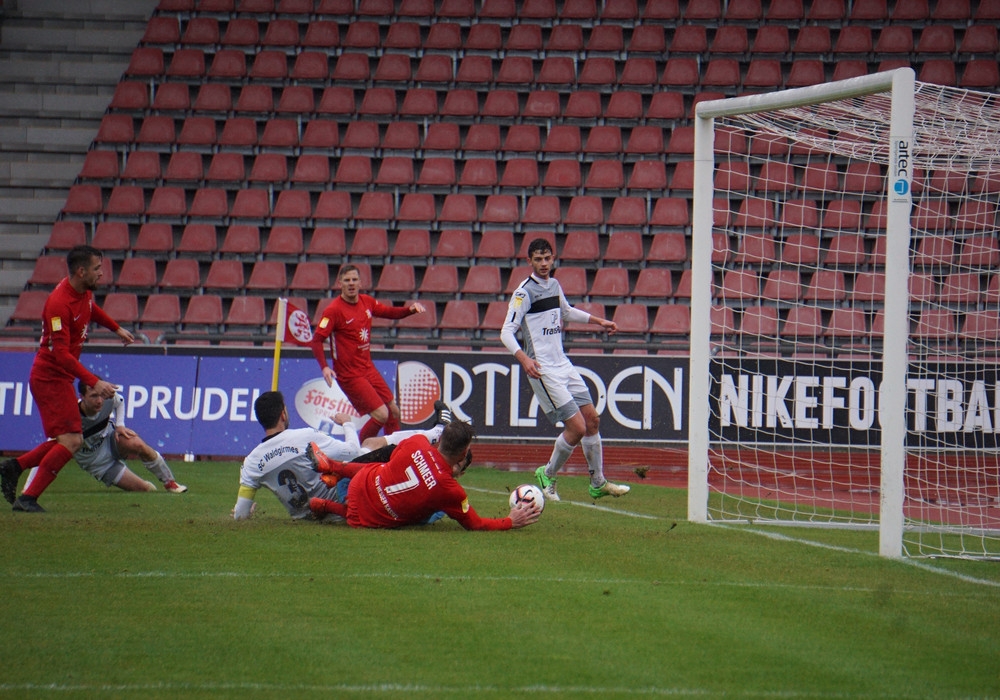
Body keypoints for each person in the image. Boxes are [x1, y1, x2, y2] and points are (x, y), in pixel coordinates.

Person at [1, 245, 135, 513]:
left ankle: (14, 467)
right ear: (81, 270)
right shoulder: (58, 304)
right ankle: (27, 499)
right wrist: (93, 381)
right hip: (49, 378)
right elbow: (60, 353)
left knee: (66, 440)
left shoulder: (82, 292)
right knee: (72, 440)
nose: (101, 273)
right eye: (97, 268)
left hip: (60, 378)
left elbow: (91, 309)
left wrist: (116, 328)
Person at [499, 237, 630, 502]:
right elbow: (506, 332)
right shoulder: (524, 292)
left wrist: (598, 321)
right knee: (578, 427)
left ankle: (597, 483)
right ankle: (547, 474)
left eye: (547, 258)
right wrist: (524, 359)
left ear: (553, 258)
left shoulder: (554, 285)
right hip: (544, 369)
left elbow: (566, 311)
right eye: (538, 259)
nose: (544, 263)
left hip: (563, 365)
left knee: (592, 420)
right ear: (529, 261)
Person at [232, 391, 451, 521]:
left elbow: (240, 514)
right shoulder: (303, 436)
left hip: (308, 516)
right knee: (371, 444)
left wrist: (245, 513)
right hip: (345, 496)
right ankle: (438, 433)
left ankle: (438, 437)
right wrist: (347, 423)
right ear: (283, 414)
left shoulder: (252, 462)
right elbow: (353, 452)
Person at [308, 420, 541, 531]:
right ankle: (327, 506)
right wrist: (510, 520)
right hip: (360, 517)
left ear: (440, 440)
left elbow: (392, 460)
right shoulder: (450, 489)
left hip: (357, 483)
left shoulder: (417, 442)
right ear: (463, 454)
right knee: (436, 510)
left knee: (383, 466)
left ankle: (335, 467)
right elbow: (475, 524)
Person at [308, 263, 426, 443]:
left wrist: (410, 310)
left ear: (360, 283)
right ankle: (361, 452)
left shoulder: (367, 302)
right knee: (382, 414)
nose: (351, 283)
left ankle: (391, 456)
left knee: (393, 411)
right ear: (340, 284)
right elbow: (316, 340)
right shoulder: (333, 311)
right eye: (347, 280)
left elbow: (390, 312)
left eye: (354, 279)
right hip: (349, 374)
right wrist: (324, 367)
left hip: (367, 368)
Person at [23, 380, 187, 495]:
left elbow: (120, 400)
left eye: (101, 395)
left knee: (137, 443)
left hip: (110, 441)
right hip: (97, 464)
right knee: (143, 490)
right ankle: (145, 485)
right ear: (82, 396)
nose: (100, 400)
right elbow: (47, 451)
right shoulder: (70, 415)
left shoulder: (108, 399)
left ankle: (170, 483)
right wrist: (28, 488)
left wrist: (120, 424)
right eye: (94, 396)